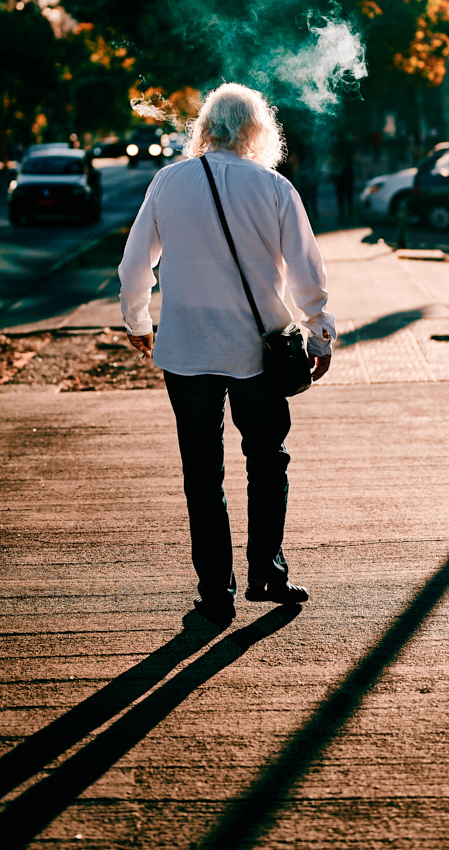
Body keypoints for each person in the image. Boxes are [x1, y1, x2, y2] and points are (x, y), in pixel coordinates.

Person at [119, 83, 335, 626]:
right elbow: (308, 270)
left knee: (202, 472)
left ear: (205, 129)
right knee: (267, 461)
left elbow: (133, 266)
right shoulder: (274, 188)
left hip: (186, 351)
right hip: (257, 352)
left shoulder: (168, 182)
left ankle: (216, 592)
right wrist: (319, 330)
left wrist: (138, 321)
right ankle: (267, 573)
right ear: (258, 131)